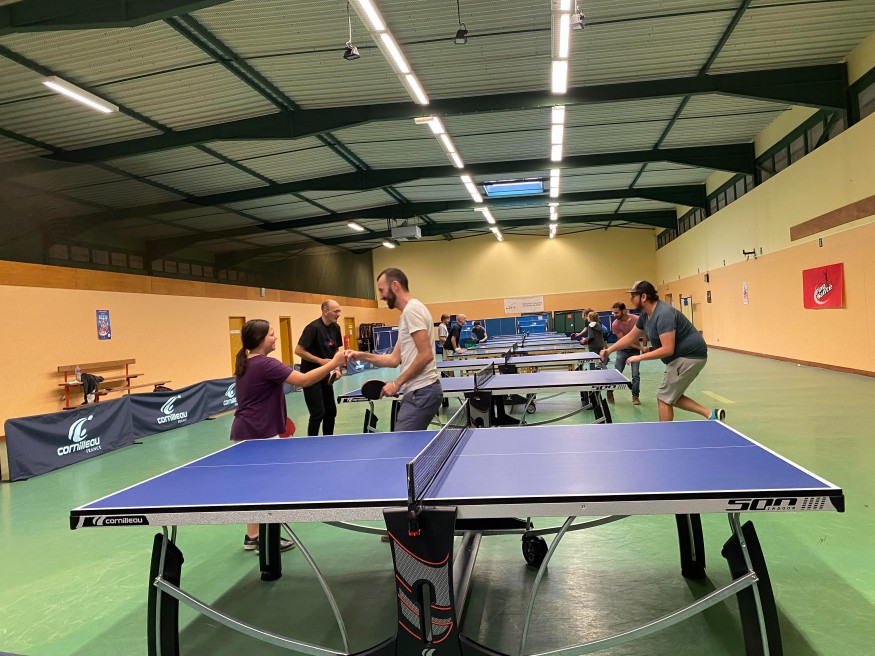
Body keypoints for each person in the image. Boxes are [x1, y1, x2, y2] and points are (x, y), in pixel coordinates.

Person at [231, 319, 347, 552]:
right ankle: (265, 540)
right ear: (260, 340)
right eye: (271, 334)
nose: (275, 338)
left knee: (258, 486)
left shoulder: (249, 362)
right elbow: (303, 380)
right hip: (259, 433)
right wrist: (334, 362)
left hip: (250, 429)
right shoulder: (265, 364)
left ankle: (253, 536)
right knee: (267, 487)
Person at [601, 281, 725, 422]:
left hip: (688, 356)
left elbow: (667, 349)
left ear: (643, 297)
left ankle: (665, 434)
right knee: (672, 396)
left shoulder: (663, 314)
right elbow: (630, 337)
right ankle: (710, 414)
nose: (630, 299)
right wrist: (609, 350)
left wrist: (640, 357)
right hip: (684, 356)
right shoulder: (645, 316)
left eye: (633, 295)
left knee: (664, 398)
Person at [348, 268, 443, 431]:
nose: (381, 297)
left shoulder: (412, 311)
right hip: (419, 391)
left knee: (402, 443)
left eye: (381, 290)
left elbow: (426, 355)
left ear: (395, 285)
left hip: (422, 392)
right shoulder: (408, 313)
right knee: (409, 443)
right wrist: (360, 355)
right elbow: (393, 360)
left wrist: (396, 383)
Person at [295, 299, 343, 436]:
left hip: (326, 375)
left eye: (339, 311)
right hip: (310, 376)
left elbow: (336, 349)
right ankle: (312, 443)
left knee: (331, 411)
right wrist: (320, 361)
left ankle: (328, 440)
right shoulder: (313, 328)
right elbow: (298, 350)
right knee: (317, 413)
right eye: (335, 311)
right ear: (325, 311)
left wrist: (335, 367)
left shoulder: (336, 328)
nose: (338, 314)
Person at [611, 301, 644, 405]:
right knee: (617, 374)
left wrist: (644, 347)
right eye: (613, 313)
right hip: (622, 350)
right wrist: (641, 348)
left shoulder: (636, 319)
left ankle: (635, 396)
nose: (614, 315)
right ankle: (610, 392)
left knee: (635, 374)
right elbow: (625, 341)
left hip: (635, 352)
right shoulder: (615, 324)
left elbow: (644, 334)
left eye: (616, 312)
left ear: (624, 311)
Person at [579, 310, 614, 403]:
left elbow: (591, 337)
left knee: (592, 361)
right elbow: (601, 337)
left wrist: (584, 340)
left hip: (593, 346)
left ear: (590, 318)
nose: (586, 318)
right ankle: (606, 371)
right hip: (600, 345)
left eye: (587, 317)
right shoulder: (598, 324)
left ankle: (593, 377)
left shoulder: (590, 326)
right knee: (599, 361)